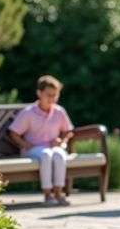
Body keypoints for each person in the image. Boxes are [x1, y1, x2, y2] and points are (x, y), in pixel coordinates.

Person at [9, 75, 74, 206]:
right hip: (33, 150)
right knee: (46, 154)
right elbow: (13, 133)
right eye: (49, 95)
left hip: (53, 148)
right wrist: (25, 145)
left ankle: (58, 193)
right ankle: (47, 195)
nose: (52, 98)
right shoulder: (28, 112)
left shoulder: (59, 111)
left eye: (55, 95)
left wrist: (62, 141)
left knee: (59, 154)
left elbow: (68, 131)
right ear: (39, 93)